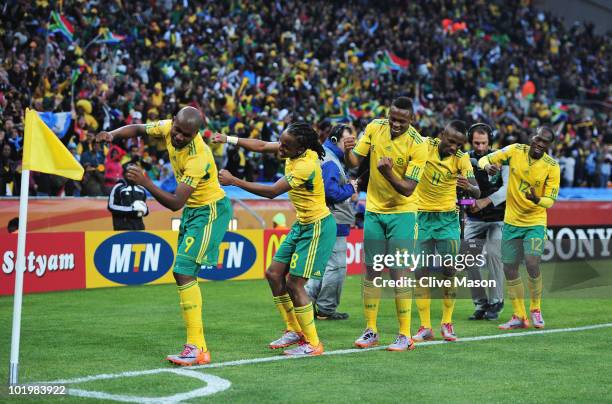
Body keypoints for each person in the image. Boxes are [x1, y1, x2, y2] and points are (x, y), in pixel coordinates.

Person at [97, 106, 232, 365]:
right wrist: (112, 134)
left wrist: (146, 182)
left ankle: (197, 347)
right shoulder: (167, 127)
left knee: (182, 270)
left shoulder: (199, 156)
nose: (179, 137)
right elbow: (137, 128)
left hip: (211, 210)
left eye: (187, 134)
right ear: (173, 123)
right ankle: (196, 346)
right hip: (194, 211)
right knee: (183, 272)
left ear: (196, 134)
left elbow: (174, 203)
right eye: (178, 130)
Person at [217, 122, 336, 356]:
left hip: (317, 227)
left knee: (294, 283)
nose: (280, 148)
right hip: (302, 224)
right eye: (280, 142)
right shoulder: (294, 148)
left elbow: (272, 192)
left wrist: (235, 182)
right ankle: (293, 330)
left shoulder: (305, 165)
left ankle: (313, 344)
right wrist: (228, 139)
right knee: (273, 274)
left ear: (300, 148)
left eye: (285, 146)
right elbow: (261, 145)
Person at [344, 97, 427, 352]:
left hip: (403, 213)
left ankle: (405, 335)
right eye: (393, 118)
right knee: (372, 271)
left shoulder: (418, 144)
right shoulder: (374, 128)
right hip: (374, 211)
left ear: (411, 119)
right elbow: (354, 163)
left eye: (402, 120)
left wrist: (388, 172)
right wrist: (348, 149)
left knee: (399, 274)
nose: (396, 124)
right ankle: (371, 330)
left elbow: (408, 189)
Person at [479, 126, 560, 330]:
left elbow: (550, 201)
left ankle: (535, 308)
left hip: (534, 222)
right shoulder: (515, 151)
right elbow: (485, 159)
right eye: (538, 139)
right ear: (532, 137)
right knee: (509, 268)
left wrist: (537, 199)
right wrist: (488, 166)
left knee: (532, 262)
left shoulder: (552, 166)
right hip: (512, 222)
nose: (540, 144)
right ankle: (519, 315)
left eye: (545, 142)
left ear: (549, 146)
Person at [412, 121, 480, 343]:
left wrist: (469, 187)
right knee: (420, 272)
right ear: (442, 134)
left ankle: (447, 323)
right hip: (422, 218)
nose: (454, 147)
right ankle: (424, 326)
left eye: (459, 144)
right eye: (451, 141)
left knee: (449, 271)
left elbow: (476, 191)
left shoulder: (462, 158)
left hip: (448, 220)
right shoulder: (424, 145)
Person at [464, 123, 508, 321]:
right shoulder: (464, 160)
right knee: (467, 259)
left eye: (483, 143)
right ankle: (481, 303)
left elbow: (507, 189)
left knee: (493, 253)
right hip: (474, 219)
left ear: (490, 141)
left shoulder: (502, 159)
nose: (480, 147)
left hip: (498, 218)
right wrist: (468, 202)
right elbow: (458, 193)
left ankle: (496, 301)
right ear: (470, 141)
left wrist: (484, 202)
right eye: (476, 143)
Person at [107, 163, 149, 231]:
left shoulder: (141, 189)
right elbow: (111, 206)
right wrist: (131, 209)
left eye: (134, 172)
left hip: (139, 228)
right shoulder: (118, 187)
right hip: (122, 228)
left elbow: (144, 207)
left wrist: (145, 211)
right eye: (129, 172)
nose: (131, 174)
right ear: (124, 174)